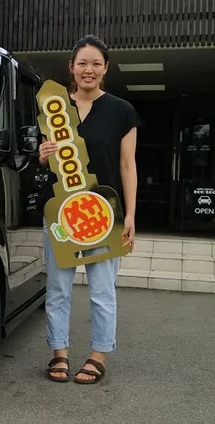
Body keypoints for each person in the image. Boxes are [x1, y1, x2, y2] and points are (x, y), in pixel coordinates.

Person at [37, 35, 138, 384]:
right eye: (82, 63)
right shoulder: (54, 108)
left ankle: (98, 355)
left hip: (104, 215)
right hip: (61, 214)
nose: (88, 70)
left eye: (96, 63)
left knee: (102, 290)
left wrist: (131, 216)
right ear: (72, 67)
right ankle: (59, 353)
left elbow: (127, 166)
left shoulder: (122, 111)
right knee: (58, 289)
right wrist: (43, 156)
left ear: (106, 68)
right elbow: (44, 161)